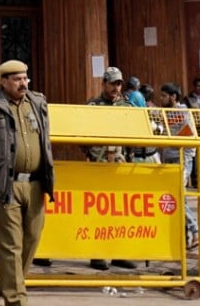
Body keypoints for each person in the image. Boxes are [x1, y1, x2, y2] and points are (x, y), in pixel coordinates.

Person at [0, 60, 55, 306]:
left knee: (32, 239)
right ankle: (16, 300)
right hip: (4, 185)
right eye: (17, 79)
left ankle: (6, 283)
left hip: (36, 184)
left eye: (25, 78)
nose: (23, 83)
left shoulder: (38, 102)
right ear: (3, 81)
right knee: (10, 245)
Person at [85, 67, 137, 271]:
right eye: (112, 83)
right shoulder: (92, 105)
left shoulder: (127, 105)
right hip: (98, 165)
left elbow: (133, 135)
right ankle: (97, 255)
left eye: (119, 84)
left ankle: (119, 254)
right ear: (103, 83)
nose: (116, 87)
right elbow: (81, 133)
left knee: (120, 210)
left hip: (120, 164)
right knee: (99, 210)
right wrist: (91, 152)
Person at [156, 83, 199, 249]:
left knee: (177, 195)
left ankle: (195, 230)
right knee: (179, 197)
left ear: (173, 97)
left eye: (164, 96)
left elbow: (187, 133)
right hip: (169, 157)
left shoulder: (182, 111)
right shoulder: (164, 112)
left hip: (183, 158)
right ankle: (185, 237)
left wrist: (169, 139)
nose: (161, 99)